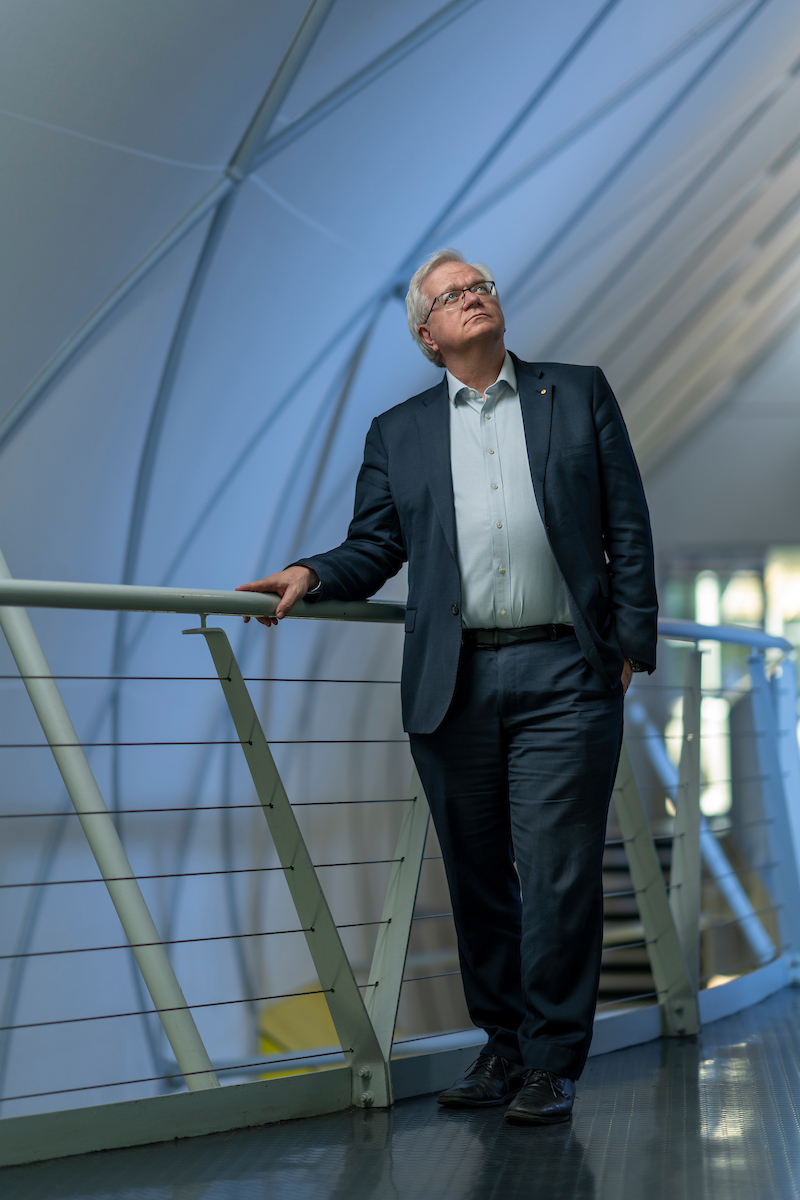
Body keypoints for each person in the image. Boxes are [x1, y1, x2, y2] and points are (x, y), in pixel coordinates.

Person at [237, 249, 657, 1126]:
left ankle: (550, 1060)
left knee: (557, 873)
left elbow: (626, 520)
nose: (472, 299)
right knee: (477, 877)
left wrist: (629, 645)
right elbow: (376, 544)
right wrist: (311, 572)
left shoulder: (576, 393)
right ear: (428, 336)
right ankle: (502, 1047)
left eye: (481, 287)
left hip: (565, 673)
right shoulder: (400, 432)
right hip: (454, 679)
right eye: (452, 296)